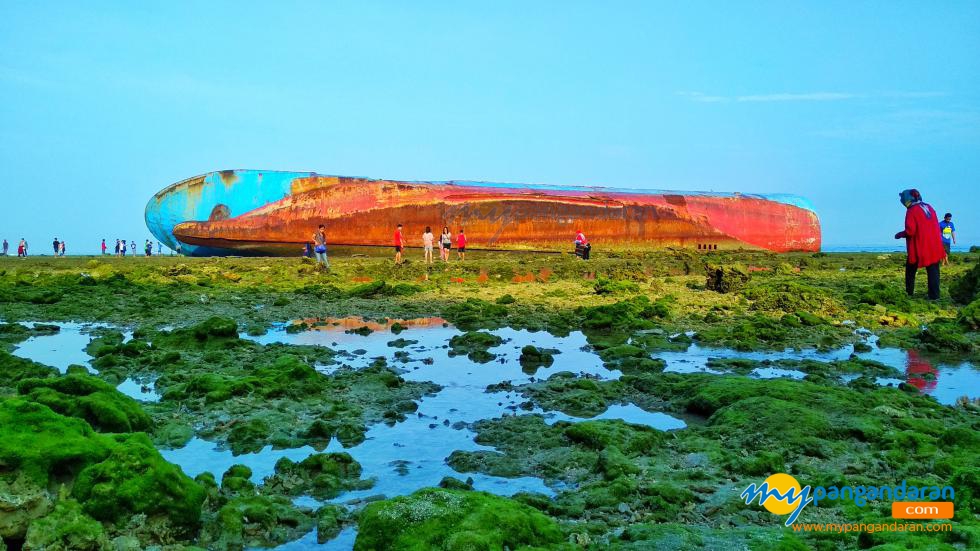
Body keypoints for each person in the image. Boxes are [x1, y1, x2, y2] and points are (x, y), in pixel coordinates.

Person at [894, 189, 945, 300]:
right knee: (933, 270)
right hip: (935, 245)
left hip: (920, 247)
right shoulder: (929, 207)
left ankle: (909, 293)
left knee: (910, 270)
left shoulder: (912, 210)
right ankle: (935, 296)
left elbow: (910, 231)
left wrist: (900, 234)